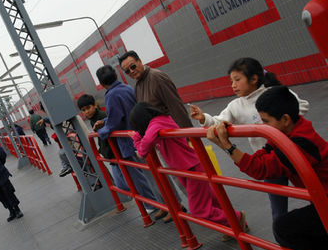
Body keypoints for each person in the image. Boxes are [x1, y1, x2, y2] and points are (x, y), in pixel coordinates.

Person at [206, 86, 328, 250]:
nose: (262, 126)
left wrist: (227, 146)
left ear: (285, 119)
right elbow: (260, 157)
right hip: (321, 200)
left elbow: (260, 169)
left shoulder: (301, 143)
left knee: (284, 228)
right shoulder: (289, 132)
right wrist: (225, 144)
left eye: (266, 121)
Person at [190, 57, 309, 222]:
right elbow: (220, 121)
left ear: (254, 79)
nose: (233, 85)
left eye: (237, 80)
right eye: (231, 81)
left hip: (292, 156)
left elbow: (302, 105)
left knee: (313, 194)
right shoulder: (236, 106)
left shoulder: (274, 93)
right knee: (278, 211)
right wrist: (204, 118)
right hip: (268, 161)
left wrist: (276, 126)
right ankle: (283, 234)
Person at [130, 102, 248, 240]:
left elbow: (143, 150)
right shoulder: (161, 121)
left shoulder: (156, 124)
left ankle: (237, 219)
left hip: (190, 168)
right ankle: (234, 224)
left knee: (198, 210)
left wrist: (136, 138)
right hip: (185, 167)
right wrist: (139, 138)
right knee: (210, 198)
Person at [93, 65, 162, 215]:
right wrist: (106, 121)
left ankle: (155, 204)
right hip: (142, 134)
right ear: (116, 76)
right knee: (153, 173)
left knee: (140, 177)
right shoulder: (127, 88)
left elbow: (114, 121)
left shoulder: (111, 95)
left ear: (101, 83)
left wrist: (102, 131)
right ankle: (163, 203)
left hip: (129, 141)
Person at [119, 50, 192, 128]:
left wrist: (188, 136)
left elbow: (176, 107)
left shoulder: (157, 78)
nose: (131, 71)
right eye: (127, 71)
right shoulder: (137, 86)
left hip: (173, 132)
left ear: (139, 61)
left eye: (133, 66)